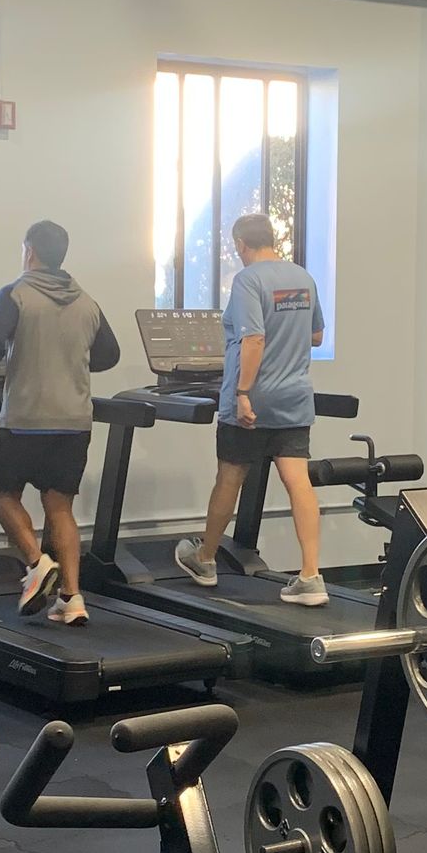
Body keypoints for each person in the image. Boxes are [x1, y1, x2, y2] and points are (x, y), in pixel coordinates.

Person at [0, 220, 120, 626]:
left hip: (24, 418)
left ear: (30, 252)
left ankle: (37, 565)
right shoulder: (87, 302)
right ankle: (72, 599)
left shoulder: (14, 294)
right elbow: (109, 354)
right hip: (74, 422)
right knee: (60, 507)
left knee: (4, 493)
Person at [177, 214, 327, 606]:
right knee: (298, 480)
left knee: (229, 477)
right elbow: (315, 335)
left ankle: (205, 559)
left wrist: (243, 392)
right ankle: (311, 575)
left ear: (241, 244)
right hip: (295, 397)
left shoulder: (248, 280)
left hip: (253, 401)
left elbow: (254, 339)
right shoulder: (303, 278)